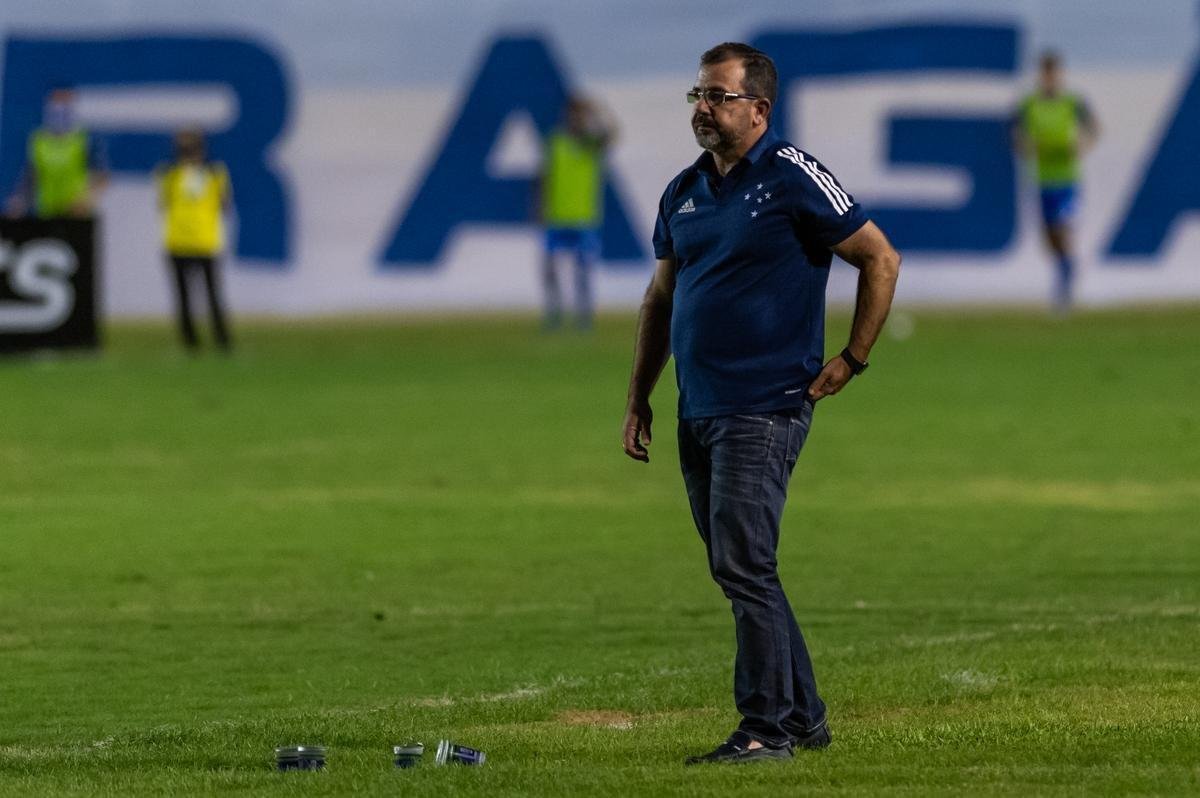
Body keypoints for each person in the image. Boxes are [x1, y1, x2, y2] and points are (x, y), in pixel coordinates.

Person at [621, 42, 900, 765]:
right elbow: (661, 298)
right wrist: (640, 396)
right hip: (698, 406)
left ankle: (764, 729)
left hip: (765, 403)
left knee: (745, 563)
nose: (703, 110)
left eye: (718, 97)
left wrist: (854, 358)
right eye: (698, 97)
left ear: (759, 109)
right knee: (739, 565)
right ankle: (801, 718)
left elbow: (880, 256)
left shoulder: (791, 175)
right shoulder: (682, 190)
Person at [1012, 51, 1099, 311]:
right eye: (1046, 73)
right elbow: (1016, 135)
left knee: (1062, 228)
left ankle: (1064, 283)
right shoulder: (1029, 104)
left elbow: (1093, 129)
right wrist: (1026, 145)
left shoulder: (1072, 102)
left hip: (1067, 178)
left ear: (1059, 74)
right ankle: (1067, 267)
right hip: (1043, 178)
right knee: (1049, 237)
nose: (1050, 78)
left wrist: (1082, 144)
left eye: (1053, 73)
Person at [536, 97, 616, 330]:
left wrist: (599, 110)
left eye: (580, 114)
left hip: (584, 217)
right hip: (556, 215)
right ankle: (554, 312)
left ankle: (584, 315)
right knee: (550, 267)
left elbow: (612, 135)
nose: (576, 119)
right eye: (573, 114)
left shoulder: (592, 143)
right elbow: (544, 177)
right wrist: (540, 207)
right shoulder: (556, 142)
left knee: (583, 269)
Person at [155, 128, 234, 352]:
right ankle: (191, 342)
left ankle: (221, 339)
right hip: (180, 241)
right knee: (185, 297)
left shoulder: (213, 173)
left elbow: (223, 202)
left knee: (211, 295)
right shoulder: (171, 174)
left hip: (203, 240)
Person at [5, 87, 108, 219]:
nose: (60, 111)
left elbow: (102, 178)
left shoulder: (85, 139)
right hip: (47, 214)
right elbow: (30, 177)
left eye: (65, 105)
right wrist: (19, 201)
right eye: (56, 106)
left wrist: (85, 200)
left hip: (77, 217)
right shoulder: (39, 140)